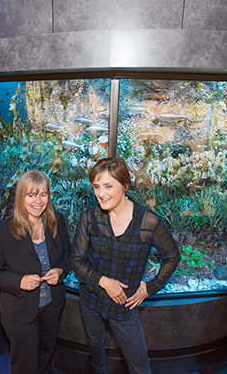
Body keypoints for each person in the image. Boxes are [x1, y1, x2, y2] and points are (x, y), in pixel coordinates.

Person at [71, 157, 180, 374]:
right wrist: (104, 282)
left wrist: (151, 287)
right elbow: (76, 261)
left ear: (125, 186)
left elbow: (172, 257)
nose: (101, 193)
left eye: (108, 186)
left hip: (125, 306)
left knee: (140, 367)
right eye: (96, 186)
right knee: (95, 345)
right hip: (91, 300)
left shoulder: (148, 222)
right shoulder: (89, 218)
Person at [0, 170, 71, 374]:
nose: (38, 201)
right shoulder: (3, 231)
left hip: (52, 306)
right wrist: (19, 281)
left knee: (47, 353)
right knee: (26, 363)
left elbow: (68, 255)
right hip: (20, 310)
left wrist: (60, 270)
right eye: (31, 195)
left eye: (43, 194)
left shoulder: (57, 221)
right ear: (21, 197)